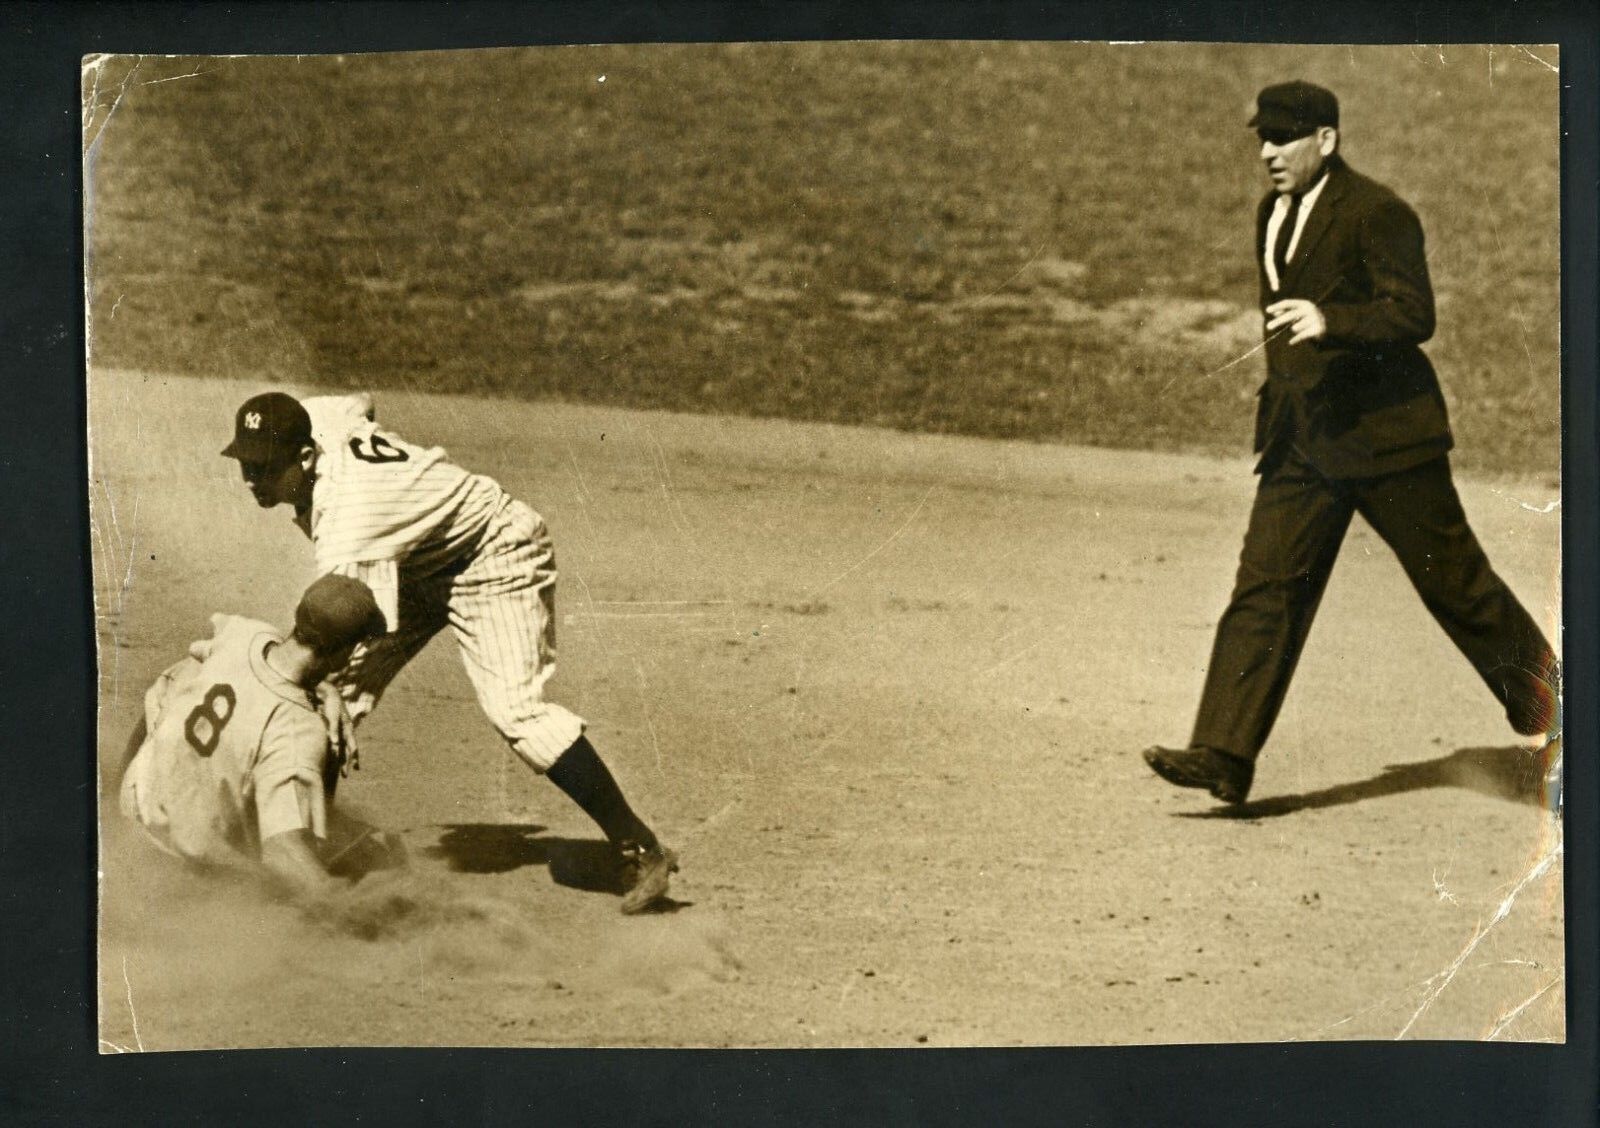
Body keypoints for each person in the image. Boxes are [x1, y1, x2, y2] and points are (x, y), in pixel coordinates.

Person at [1144, 81, 1560, 805]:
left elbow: (1413, 314)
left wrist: (1334, 322)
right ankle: (1224, 753)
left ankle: (1560, 710)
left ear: (1326, 142)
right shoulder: (1270, 212)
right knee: (1265, 588)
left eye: (1285, 138)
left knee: (1456, 586)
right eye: (1263, 140)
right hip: (1302, 442)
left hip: (1387, 442)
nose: (1269, 153)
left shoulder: (1378, 212)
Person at [219, 389, 678, 912]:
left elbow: (332, 629)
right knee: (333, 694)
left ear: (305, 457)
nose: (251, 479)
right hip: (413, 563)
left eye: (264, 467)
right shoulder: (316, 418)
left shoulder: (348, 522)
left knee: (516, 711)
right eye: (246, 463)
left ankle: (641, 846)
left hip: (493, 555)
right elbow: (360, 400)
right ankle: (304, 841)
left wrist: (328, 689)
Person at [119, 573, 389, 895]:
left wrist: (325, 689)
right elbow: (281, 852)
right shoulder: (298, 730)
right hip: (174, 854)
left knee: (179, 675)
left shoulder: (245, 634)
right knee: (289, 870)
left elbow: (269, 669)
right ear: (343, 652)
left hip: (134, 795)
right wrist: (348, 906)